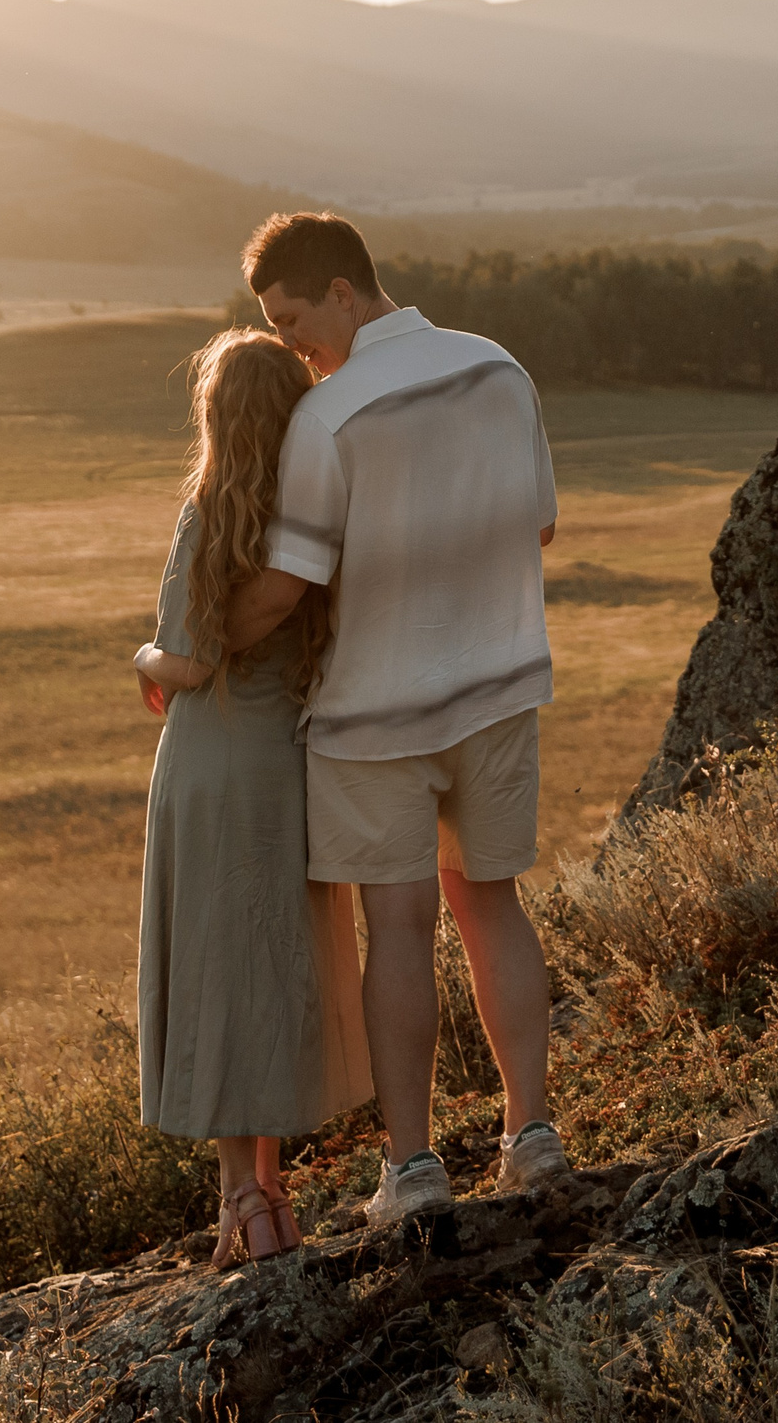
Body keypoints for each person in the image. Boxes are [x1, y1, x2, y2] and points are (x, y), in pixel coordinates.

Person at [226, 212, 569, 1226]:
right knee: (493, 907)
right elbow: (540, 520)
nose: (296, 349)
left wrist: (203, 644)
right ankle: (533, 1137)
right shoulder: (498, 369)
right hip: (499, 686)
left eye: (295, 324)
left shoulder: (327, 420)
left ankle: (413, 1171)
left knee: (402, 932)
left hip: (374, 713)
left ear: (343, 290)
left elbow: (289, 583)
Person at [132, 327, 375, 1270]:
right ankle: (268, 1189)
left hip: (211, 766)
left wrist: (142, 657)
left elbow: (189, 660)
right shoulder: (313, 510)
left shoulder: (209, 514)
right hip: (287, 759)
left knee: (219, 969)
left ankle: (245, 1199)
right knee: (270, 963)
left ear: (215, 415)